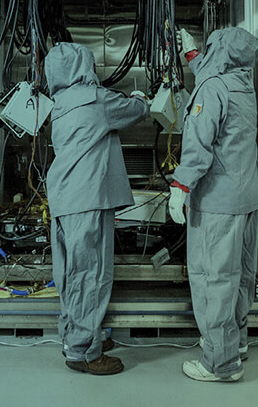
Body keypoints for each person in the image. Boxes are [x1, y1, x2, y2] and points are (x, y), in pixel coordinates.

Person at [44, 42, 150, 375]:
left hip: (64, 197)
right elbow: (135, 112)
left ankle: (75, 335)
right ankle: (85, 353)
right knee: (91, 274)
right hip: (89, 199)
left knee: (70, 273)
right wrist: (143, 99)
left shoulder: (58, 104)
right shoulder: (95, 99)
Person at [168, 27, 258, 383]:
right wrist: (192, 55)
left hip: (218, 202)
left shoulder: (213, 89)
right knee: (240, 277)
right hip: (245, 197)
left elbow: (198, 146)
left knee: (213, 279)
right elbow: (214, 78)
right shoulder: (241, 85)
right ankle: (234, 344)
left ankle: (219, 364)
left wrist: (180, 186)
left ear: (219, 52)